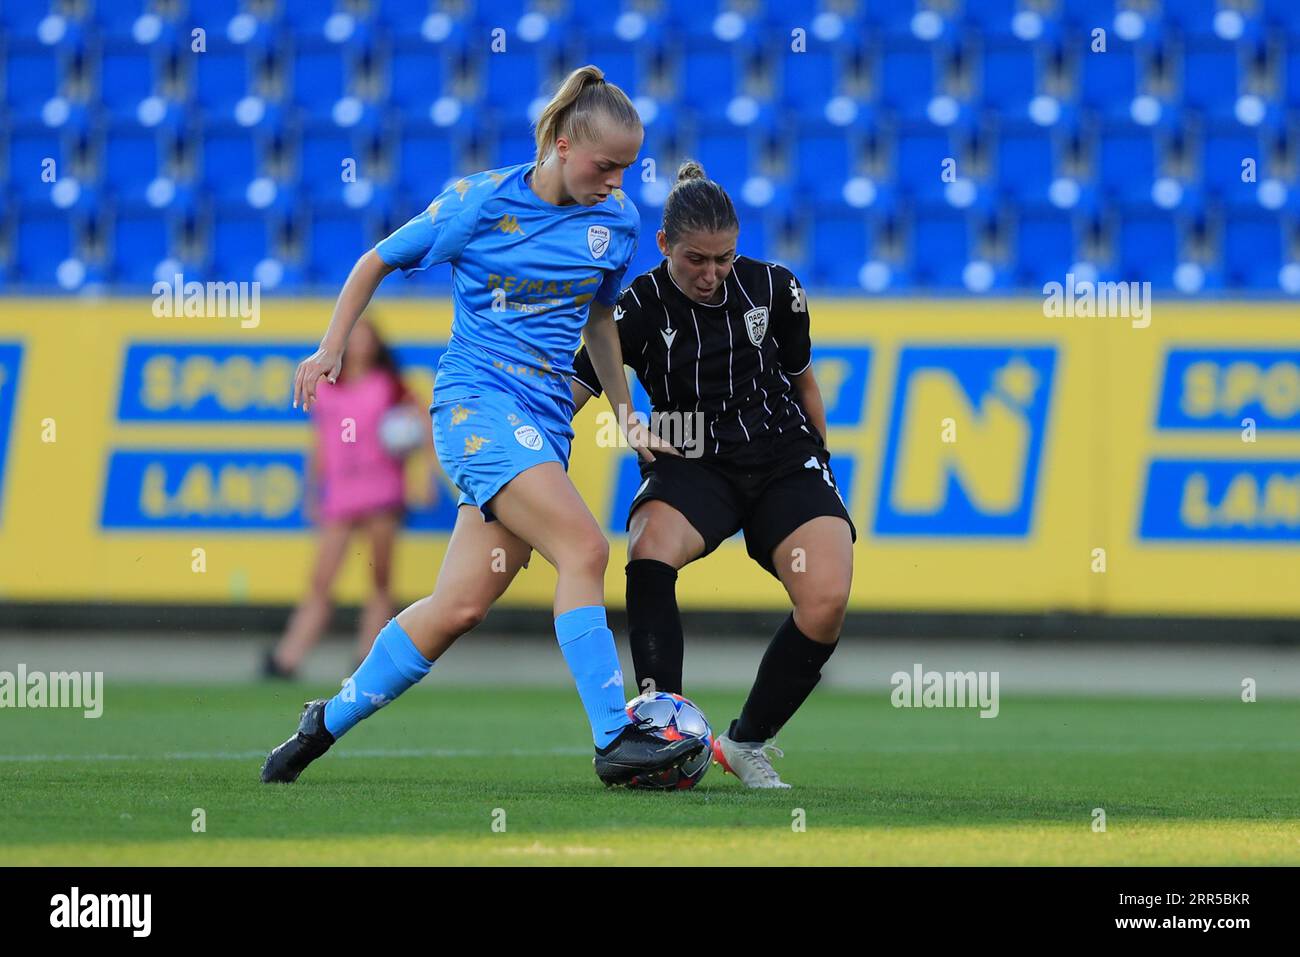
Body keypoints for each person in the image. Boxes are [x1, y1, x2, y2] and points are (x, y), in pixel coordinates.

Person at [260, 65, 699, 787]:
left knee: (459, 605)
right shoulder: (478, 202)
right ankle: (614, 735)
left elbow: (597, 317)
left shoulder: (613, 225)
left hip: (543, 422)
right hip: (474, 407)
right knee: (584, 547)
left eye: (626, 167)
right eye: (605, 164)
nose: (617, 181)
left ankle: (322, 722)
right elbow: (376, 259)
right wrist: (332, 344)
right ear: (561, 144)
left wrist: (625, 410)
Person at [569, 160, 856, 788]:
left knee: (827, 599)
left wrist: (819, 464)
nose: (712, 274)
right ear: (664, 244)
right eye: (697, 259)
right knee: (648, 551)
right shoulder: (637, 305)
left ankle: (745, 743)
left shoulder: (775, 288)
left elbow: (803, 382)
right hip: (692, 454)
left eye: (724, 259)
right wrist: (535, 448)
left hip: (781, 454)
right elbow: (574, 388)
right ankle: (660, 733)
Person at [263, 316, 433, 681]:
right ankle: (288, 656)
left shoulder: (389, 384)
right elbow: (321, 445)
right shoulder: (327, 389)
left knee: (380, 579)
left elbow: (422, 425)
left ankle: (366, 658)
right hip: (341, 491)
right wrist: (312, 490)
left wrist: (423, 476)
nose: (359, 345)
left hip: (382, 489)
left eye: (365, 338)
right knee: (321, 580)